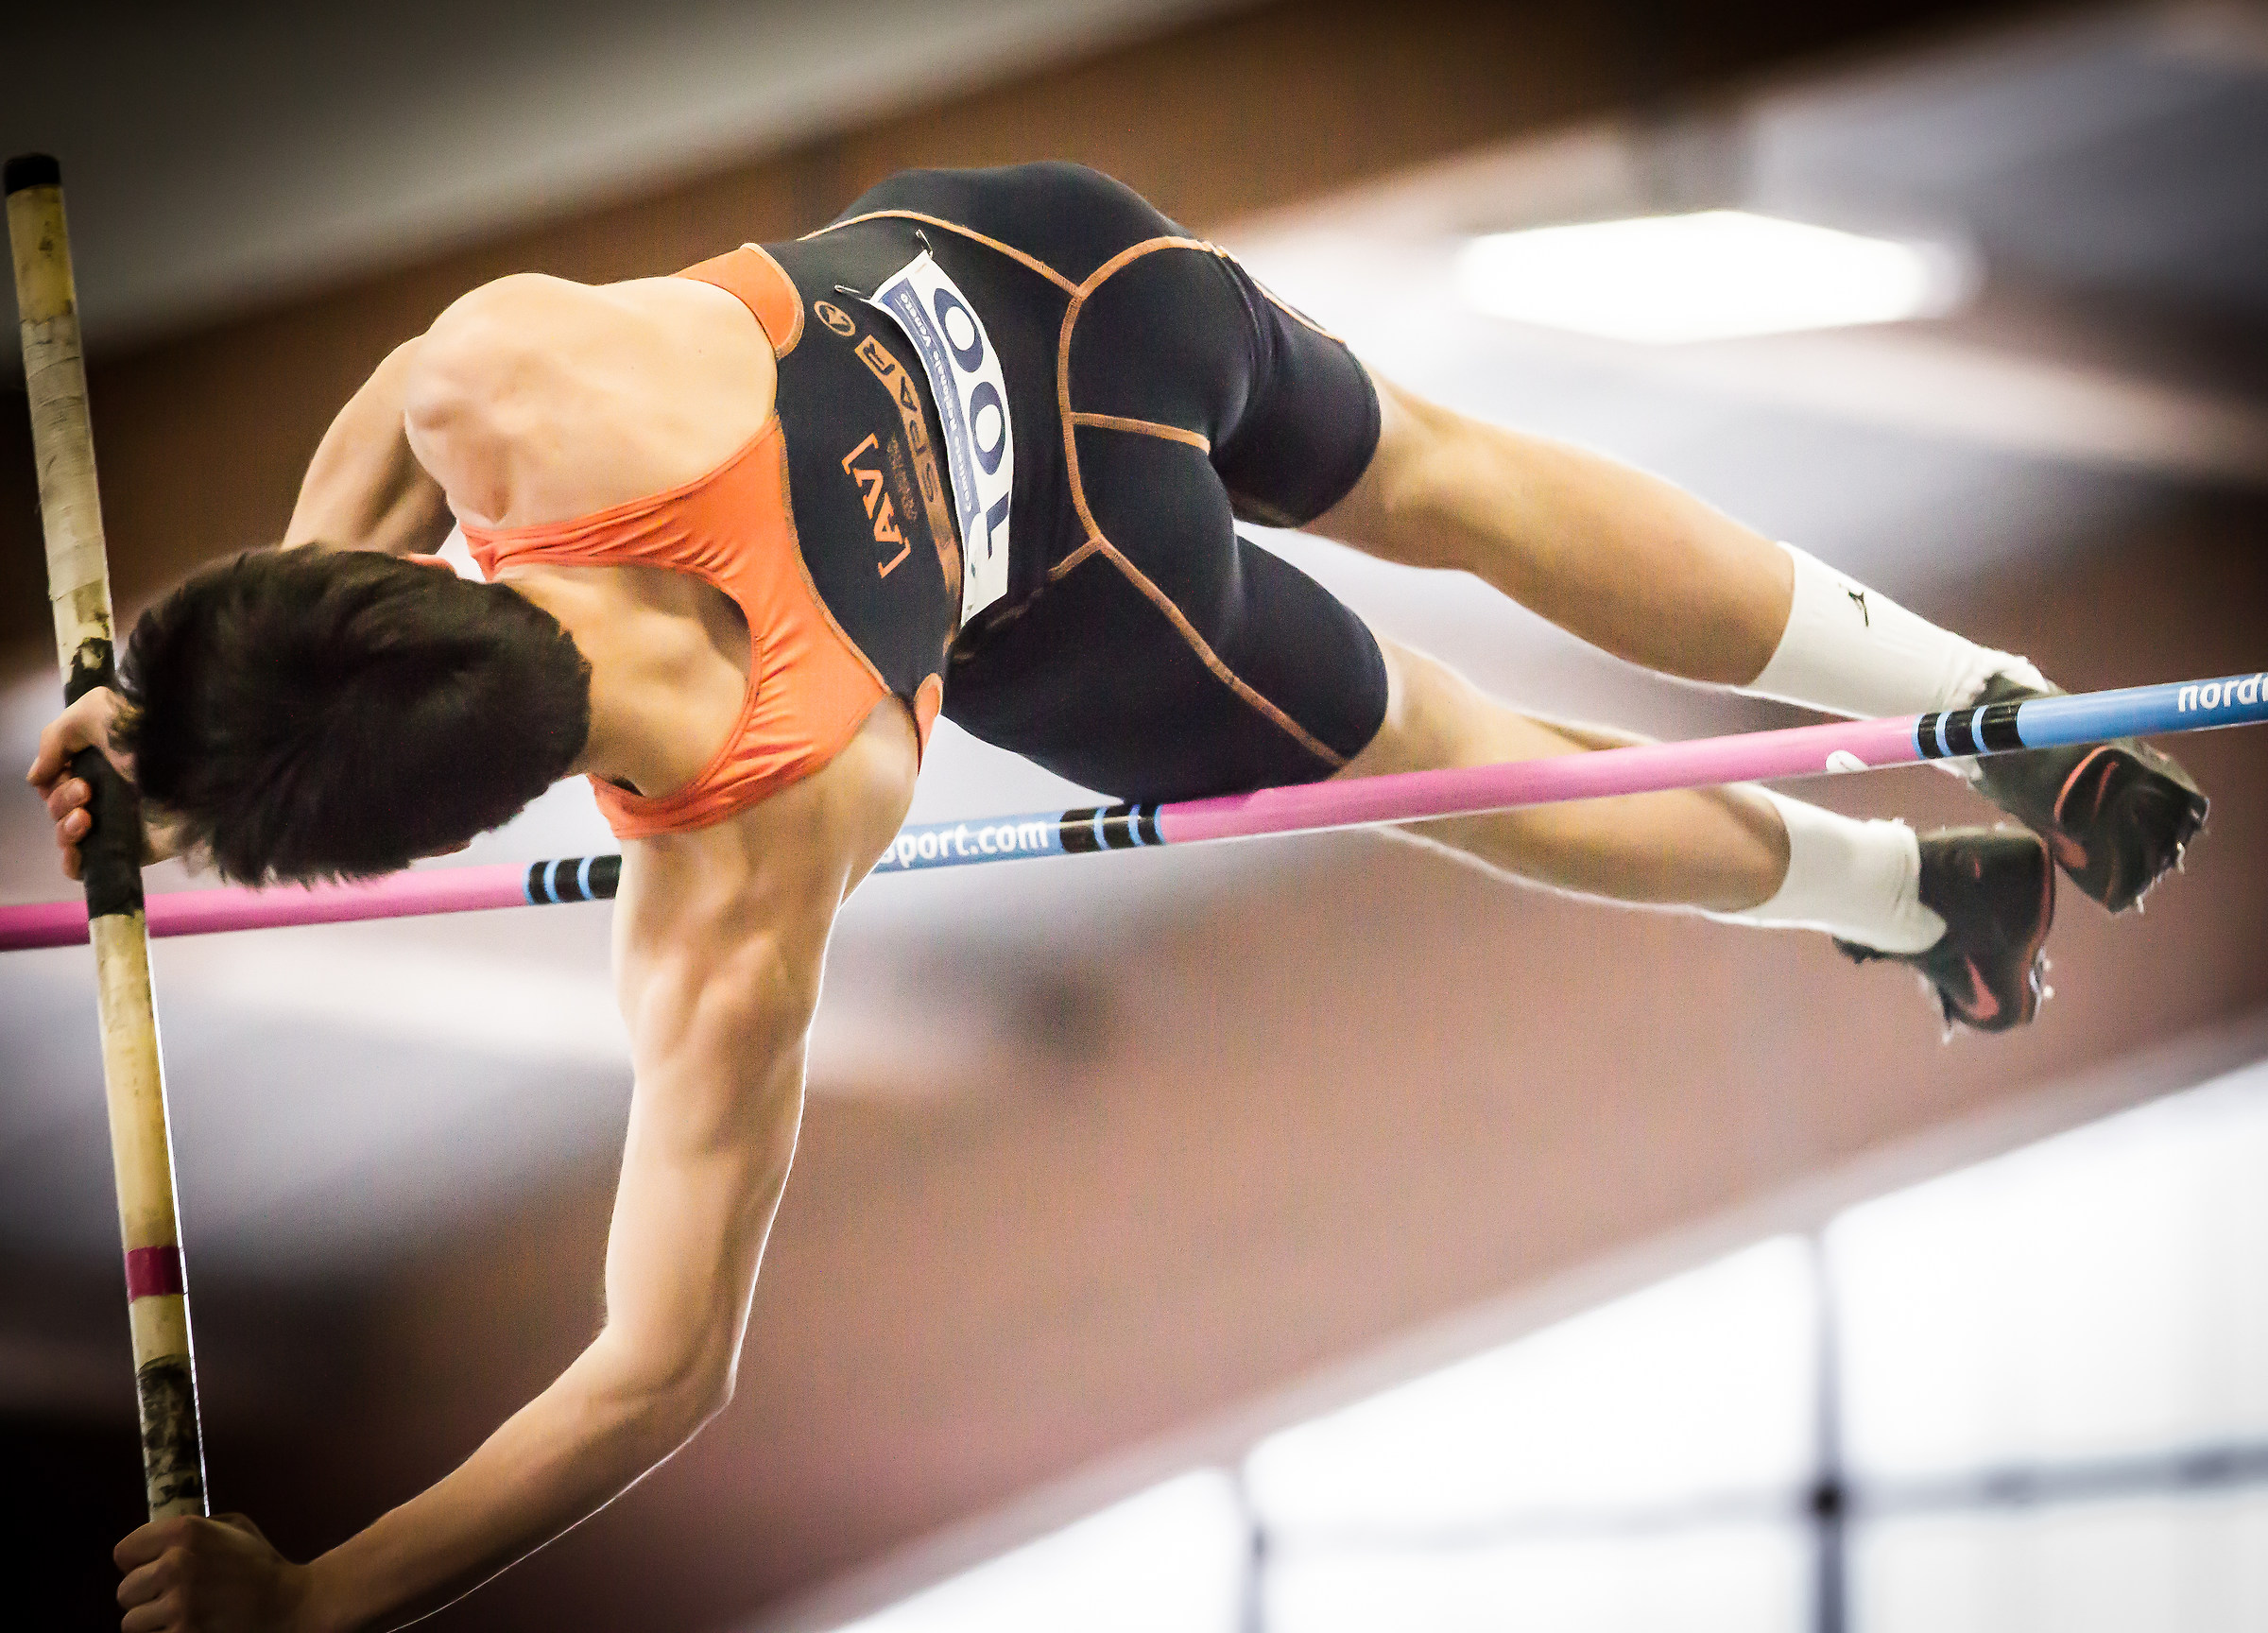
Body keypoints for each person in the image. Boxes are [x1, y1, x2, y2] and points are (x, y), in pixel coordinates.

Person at [27, 163, 2204, 1631]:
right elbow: (371, 459)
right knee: (1468, 480)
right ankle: (1983, 696)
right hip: (1055, 272)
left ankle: (1911, 894)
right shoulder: (503, 375)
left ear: (447, 834)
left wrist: (322, 1601)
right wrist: (167, 709)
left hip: (1085, 586)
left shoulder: (745, 864)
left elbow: (652, 1376)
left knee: (1460, 764)